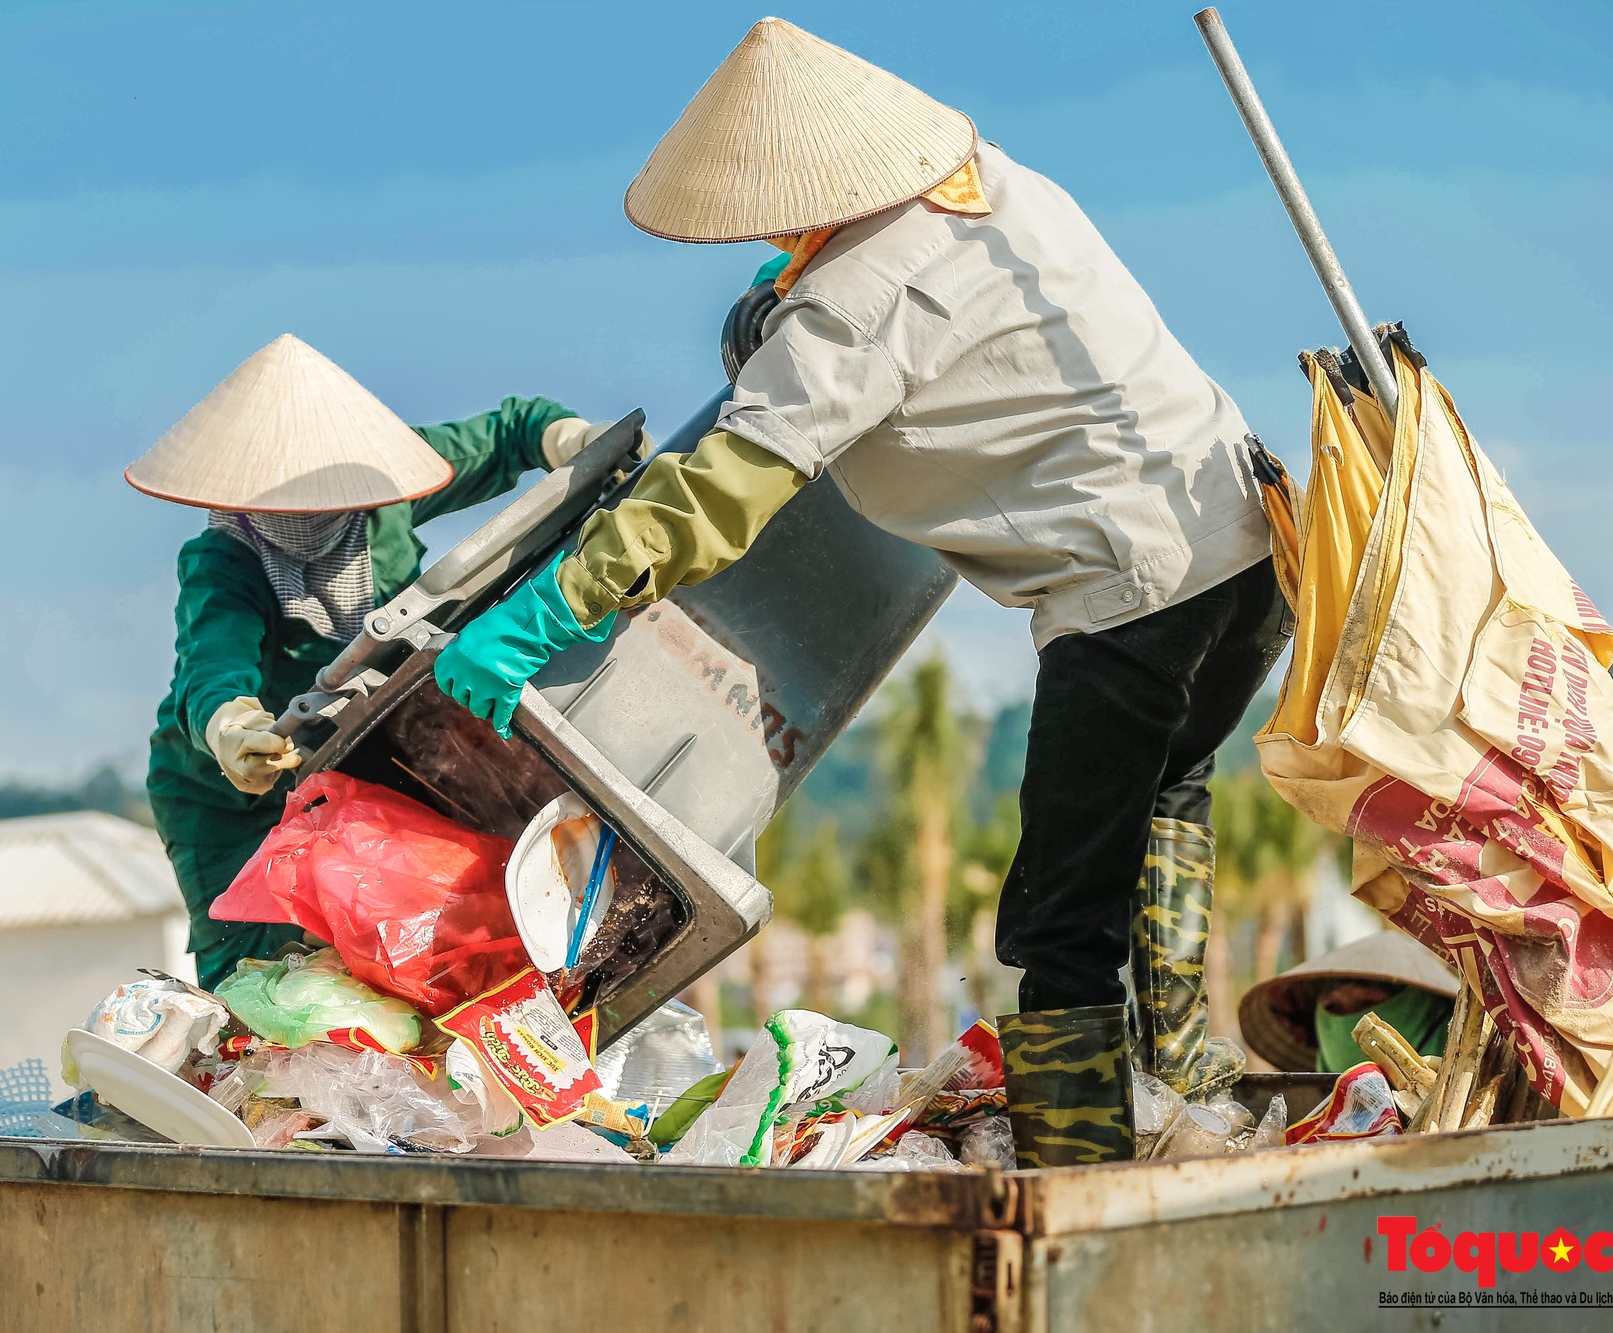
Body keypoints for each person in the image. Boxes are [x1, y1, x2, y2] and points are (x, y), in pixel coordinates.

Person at [434, 20, 1293, 1167]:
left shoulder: (857, 298)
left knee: (1059, 918)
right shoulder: (992, 185)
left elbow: (718, 493)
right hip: (1247, 545)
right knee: (1167, 794)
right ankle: (1182, 1089)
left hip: (1131, 590)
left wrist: (541, 614)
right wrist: (790, 300)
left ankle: (1079, 1168)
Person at [129, 333, 623, 990]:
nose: (315, 510)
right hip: (224, 793)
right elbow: (212, 664)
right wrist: (231, 728)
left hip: (347, 760)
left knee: (376, 950)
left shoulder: (380, 491)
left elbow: (510, 434)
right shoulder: (226, 558)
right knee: (253, 972)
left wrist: (570, 441)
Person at [1237, 932, 1458, 1075]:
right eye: (1335, 1008)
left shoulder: (1476, 1108)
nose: (1354, 1026)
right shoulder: (1301, 1117)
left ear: (1428, 1011)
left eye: (1368, 1003)